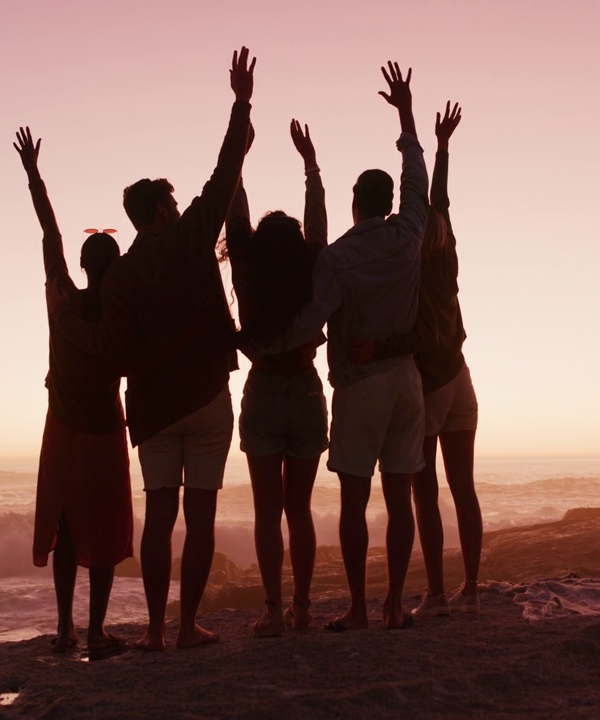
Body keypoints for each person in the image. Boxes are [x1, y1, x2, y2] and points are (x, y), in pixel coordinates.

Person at [51, 47, 255, 650]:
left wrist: (68, 329)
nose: (176, 203)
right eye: (171, 198)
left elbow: (109, 345)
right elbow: (224, 174)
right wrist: (241, 103)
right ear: (163, 209)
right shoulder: (194, 234)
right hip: (208, 399)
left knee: (160, 516)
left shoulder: (125, 276)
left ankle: (158, 631)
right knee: (201, 517)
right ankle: (189, 625)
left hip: (154, 411)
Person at [253, 62, 428, 631]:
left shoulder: (339, 257)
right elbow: (417, 172)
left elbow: (313, 318)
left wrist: (267, 343)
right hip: (408, 382)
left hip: (363, 383)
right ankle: (395, 606)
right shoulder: (409, 236)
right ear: (388, 201)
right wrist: (404, 112)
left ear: (357, 201)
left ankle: (357, 608)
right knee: (400, 499)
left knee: (355, 501)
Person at [350, 102, 483, 617]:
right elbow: (438, 198)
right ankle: (469, 591)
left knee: (424, 495)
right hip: (462, 381)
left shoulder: (414, 262)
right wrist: (441, 145)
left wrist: (378, 349)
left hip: (429, 385)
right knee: (464, 489)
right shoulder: (447, 256)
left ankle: (433, 594)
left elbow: (415, 338)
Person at [14, 126, 133, 661]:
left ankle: (64, 631)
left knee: (64, 528)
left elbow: (50, 236)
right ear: (118, 267)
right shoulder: (119, 315)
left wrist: (35, 177)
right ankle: (97, 631)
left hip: (61, 428)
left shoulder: (62, 300)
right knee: (104, 534)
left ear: (84, 267)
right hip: (105, 431)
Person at [224, 120, 328, 636]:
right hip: (307, 390)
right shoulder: (311, 271)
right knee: (300, 510)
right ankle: (303, 607)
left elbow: (234, 212)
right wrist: (310, 165)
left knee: (268, 512)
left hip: (263, 390)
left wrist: (240, 159)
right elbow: (318, 228)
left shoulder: (247, 270)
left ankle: (271, 611)